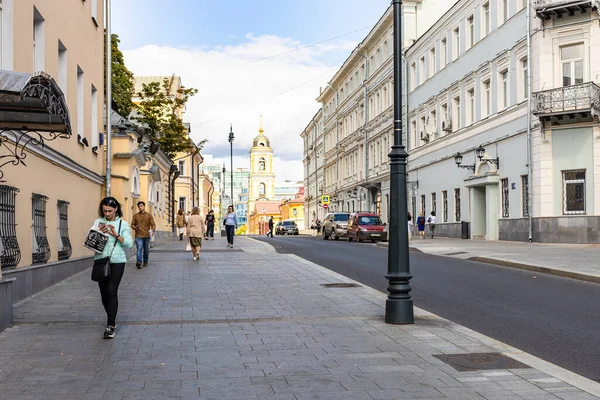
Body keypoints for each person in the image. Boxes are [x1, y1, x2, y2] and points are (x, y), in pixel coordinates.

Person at [93, 197, 133, 339]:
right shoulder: (98, 222)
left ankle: (110, 324)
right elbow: (90, 243)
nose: (107, 214)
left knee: (112, 290)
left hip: (117, 261)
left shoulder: (123, 224)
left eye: (110, 211)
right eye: (105, 211)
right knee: (104, 294)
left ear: (116, 209)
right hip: (100, 260)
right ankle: (111, 316)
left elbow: (128, 243)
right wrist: (100, 233)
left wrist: (115, 234)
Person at [131, 201, 156, 269]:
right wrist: (135, 227)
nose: (140, 207)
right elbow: (132, 225)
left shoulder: (149, 215)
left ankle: (145, 261)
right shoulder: (135, 216)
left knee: (146, 250)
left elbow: (153, 224)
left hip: (147, 235)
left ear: (144, 206)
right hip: (138, 235)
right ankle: (139, 262)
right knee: (139, 248)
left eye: (141, 206)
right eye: (139, 206)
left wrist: (153, 230)